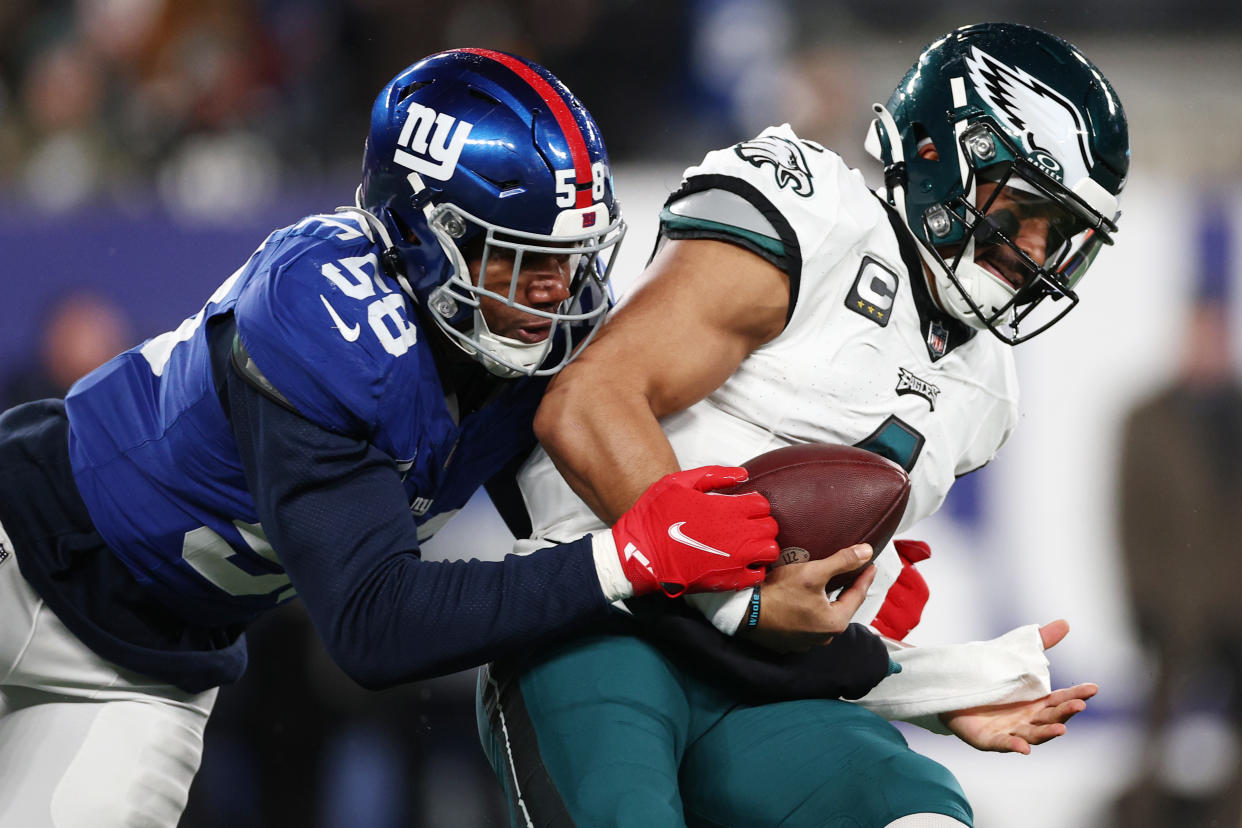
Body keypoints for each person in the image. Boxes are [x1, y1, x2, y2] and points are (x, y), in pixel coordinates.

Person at [0, 49, 786, 827]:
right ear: (417, 235)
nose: (554, 292)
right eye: (517, 259)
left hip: (147, 668)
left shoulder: (538, 341)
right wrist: (629, 559)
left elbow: (616, 530)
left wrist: (767, 605)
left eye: (569, 257)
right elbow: (377, 624)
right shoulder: (325, 312)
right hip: (18, 548)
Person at [479, 23, 1129, 828]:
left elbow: (797, 597)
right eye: (1022, 210)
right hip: (607, 627)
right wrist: (739, 602)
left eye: (1059, 233)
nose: (1034, 249)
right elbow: (587, 403)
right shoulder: (816, 217)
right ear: (940, 154)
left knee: (921, 814)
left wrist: (926, 680)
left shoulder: (983, 391)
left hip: (756, 682)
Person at [1113, 201, 1242, 828]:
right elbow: (1130, 518)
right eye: (1198, 329)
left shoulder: (1234, 416)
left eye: (1216, 330)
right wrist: (1141, 598)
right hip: (1172, 601)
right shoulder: (1148, 418)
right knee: (1156, 741)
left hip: (1234, 601)